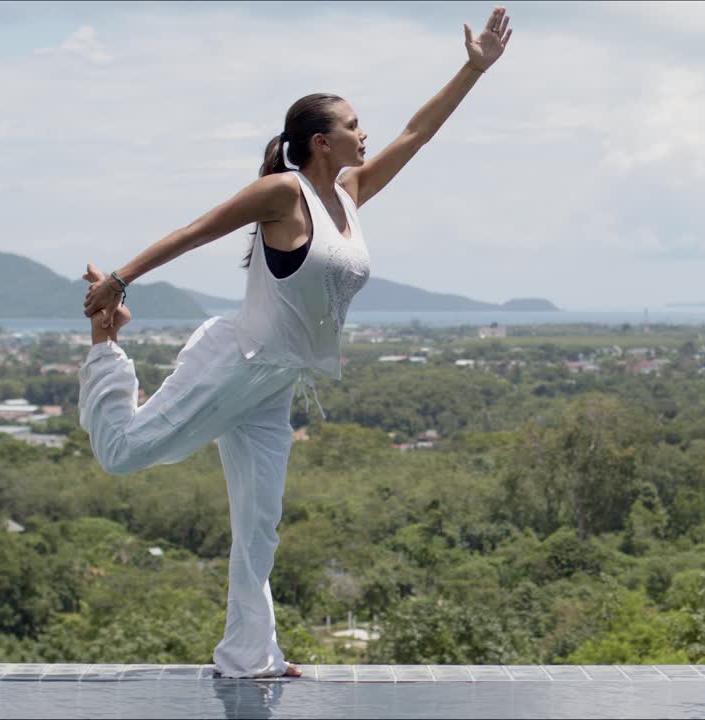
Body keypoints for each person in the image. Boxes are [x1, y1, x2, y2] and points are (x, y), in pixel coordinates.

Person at [78, 6, 514, 679]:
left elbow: (417, 133)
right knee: (124, 454)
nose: (364, 133)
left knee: (259, 525)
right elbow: (199, 230)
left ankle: (249, 655)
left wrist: (473, 69)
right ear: (319, 141)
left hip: (273, 384)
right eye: (351, 125)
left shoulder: (350, 192)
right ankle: (108, 348)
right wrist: (119, 282)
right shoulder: (285, 194)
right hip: (235, 362)